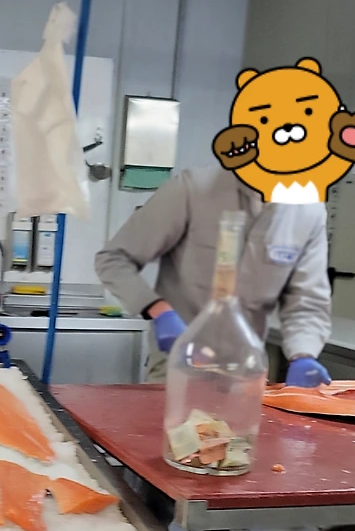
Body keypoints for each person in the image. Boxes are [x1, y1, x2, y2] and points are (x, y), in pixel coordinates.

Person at [95, 165, 332, 385]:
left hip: (245, 373)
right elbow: (113, 259)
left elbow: (307, 304)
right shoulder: (194, 188)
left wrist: (303, 354)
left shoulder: (309, 210)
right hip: (178, 367)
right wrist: (158, 311)